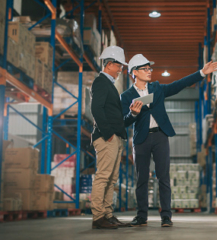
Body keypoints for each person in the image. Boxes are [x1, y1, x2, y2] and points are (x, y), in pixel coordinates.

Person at [121, 54, 217, 227]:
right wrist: (133, 114)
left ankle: (166, 216)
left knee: (163, 177)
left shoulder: (157, 88)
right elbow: (123, 122)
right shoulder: (126, 96)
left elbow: (178, 85)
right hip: (141, 139)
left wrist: (202, 73)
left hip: (160, 136)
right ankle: (141, 216)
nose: (149, 71)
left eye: (150, 68)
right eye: (145, 69)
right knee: (141, 179)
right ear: (134, 72)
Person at [90, 46, 131, 229]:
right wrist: (108, 134)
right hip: (106, 137)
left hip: (115, 137)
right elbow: (96, 109)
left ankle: (107, 214)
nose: (121, 69)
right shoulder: (101, 82)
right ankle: (98, 217)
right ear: (108, 64)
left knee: (112, 179)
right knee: (103, 177)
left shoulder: (110, 84)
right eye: (119, 65)